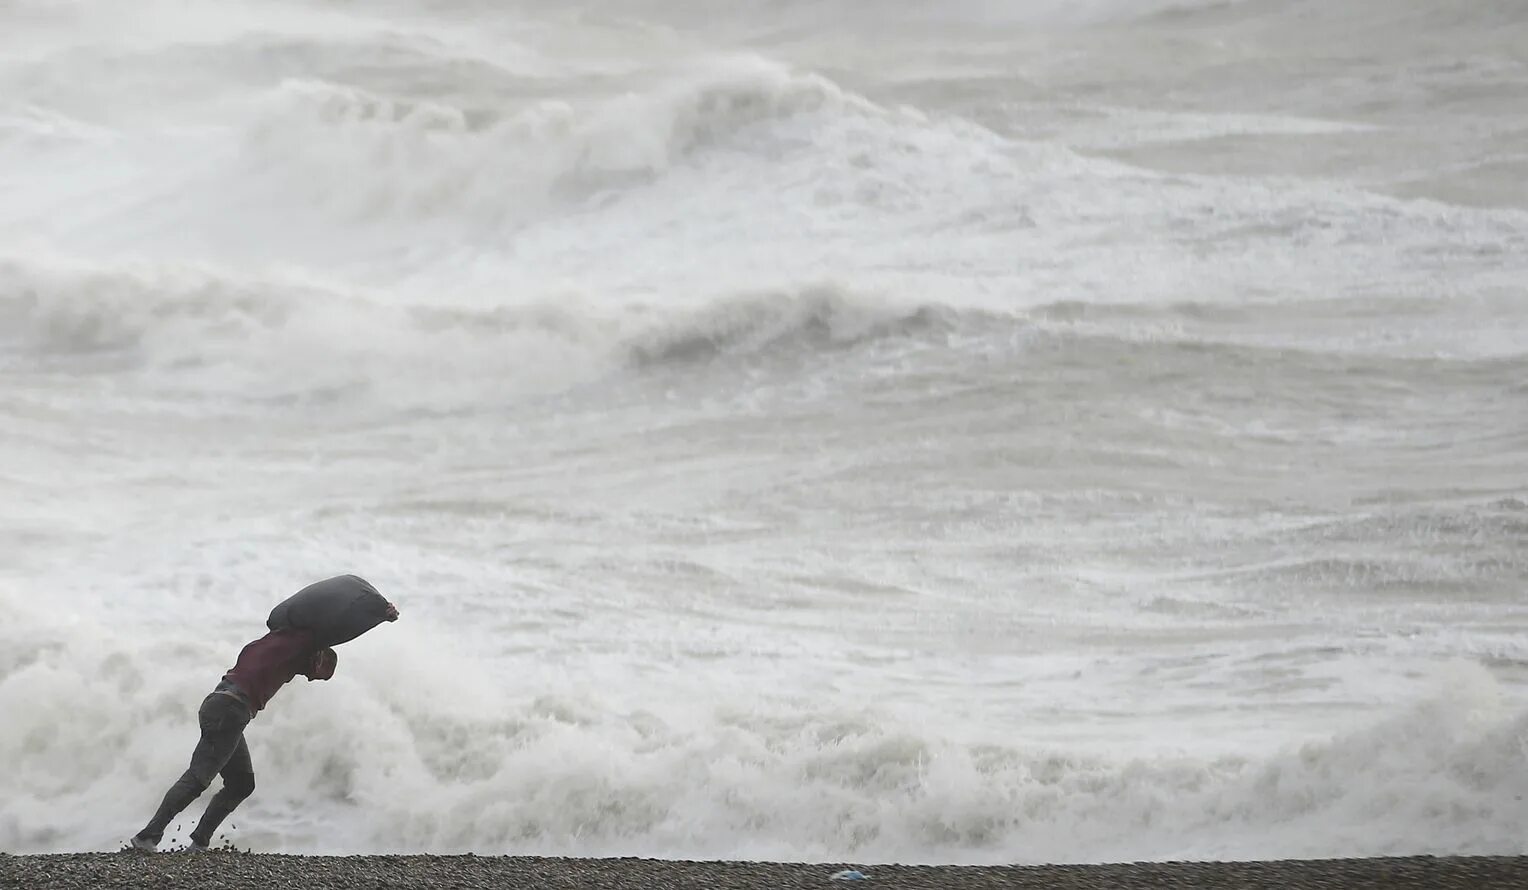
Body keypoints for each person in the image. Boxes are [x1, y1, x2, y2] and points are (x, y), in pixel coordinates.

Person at [129, 597, 399, 852]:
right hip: (229, 710)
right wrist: (378, 614)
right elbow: (339, 629)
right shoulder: (302, 645)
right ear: (318, 658)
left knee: (242, 784)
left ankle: (199, 842)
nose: (311, 680)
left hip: (224, 707)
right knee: (199, 778)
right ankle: (147, 836)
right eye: (320, 675)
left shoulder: (278, 643)